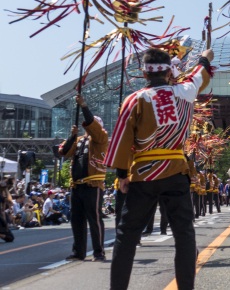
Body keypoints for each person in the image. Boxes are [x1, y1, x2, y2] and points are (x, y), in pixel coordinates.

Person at [105, 47, 214, 290]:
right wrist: (205, 57)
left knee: (128, 235)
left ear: (144, 74)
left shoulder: (135, 99)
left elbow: (122, 138)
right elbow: (200, 73)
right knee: (184, 234)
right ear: (169, 72)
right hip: (176, 170)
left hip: (144, 173)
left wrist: (121, 174)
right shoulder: (185, 91)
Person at [59, 95, 108, 261]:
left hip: (92, 185)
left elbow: (91, 124)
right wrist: (72, 136)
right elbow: (64, 152)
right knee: (76, 220)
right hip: (77, 186)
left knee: (94, 219)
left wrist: (84, 106)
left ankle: (99, 251)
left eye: (93, 126)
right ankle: (78, 252)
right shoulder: (80, 140)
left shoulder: (101, 139)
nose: (88, 128)